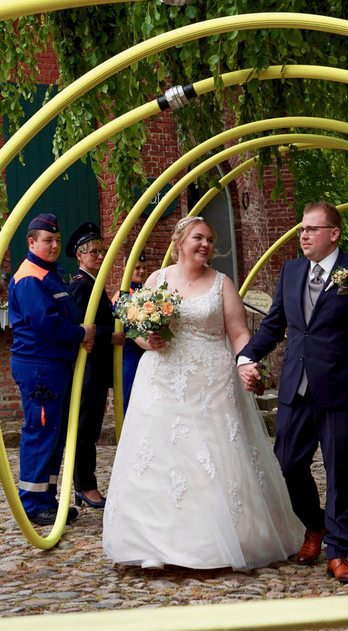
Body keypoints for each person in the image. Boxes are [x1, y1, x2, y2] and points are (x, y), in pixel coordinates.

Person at [103, 216, 303, 570]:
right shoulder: (157, 279)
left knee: (212, 457)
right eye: (198, 238)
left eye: (211, 240)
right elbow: (135, 326)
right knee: (159, 458)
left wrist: (246, 362)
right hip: (163, 378)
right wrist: (144, 340)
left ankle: (221, 542)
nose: (205, 245)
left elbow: (239, 332)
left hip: (211, 382)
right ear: (180, 241)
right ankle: (154, 544)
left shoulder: (222, 284)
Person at [238, 201, 348, 584]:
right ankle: (316, 525)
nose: (302, 235)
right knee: (286, 463)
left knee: (339, 471)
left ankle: (338, 551)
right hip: (296, 388)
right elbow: (275, 324)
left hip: (340, 389)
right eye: (301, 229)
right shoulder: (290, 271)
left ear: (333, 234)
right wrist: (247, 355)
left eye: (310, 229)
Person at [8, 213, 95, 526]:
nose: (55, 245)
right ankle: (32, 504)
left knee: (53, 434)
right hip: (39, 366)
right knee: (41, 431)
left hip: (52, 364)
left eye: (57, 240)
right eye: (49, 240)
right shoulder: (31, 276)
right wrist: (81, 334)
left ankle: (46, 499)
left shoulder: (49, 274)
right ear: (32, 243)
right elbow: (47, 324)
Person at [68, 222, 125, 509]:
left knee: (91, 426)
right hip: (88, 370)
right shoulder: (81, 285)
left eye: (102, 251)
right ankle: (85, 486)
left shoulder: (95, 284)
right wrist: (109, 335)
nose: (100, 257)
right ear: (80, 255)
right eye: (94, 252)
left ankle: (87, 484)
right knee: (86, 429)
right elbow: (81, 327)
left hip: (98, 369)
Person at [111, 251, 148, 415]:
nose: (141, 272)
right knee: (129, 400)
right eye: (137, 268)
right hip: (129, 357)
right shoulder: (122, 296)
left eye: (144, 268)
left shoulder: (148, 294)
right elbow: (127, 330)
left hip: (145, 356)